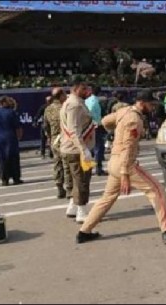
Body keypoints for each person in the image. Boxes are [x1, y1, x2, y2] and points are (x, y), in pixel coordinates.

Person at [76, 90, 166, 245]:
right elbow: (128, 147)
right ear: (142, 103)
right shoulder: (134, 120)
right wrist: (125, 173)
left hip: (113, 162)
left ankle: (84, 231)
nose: (152, 108)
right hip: (125, 163)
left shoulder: (124, 111)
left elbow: (105, 121)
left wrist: (116, 130)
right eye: (150, 104)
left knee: (107, 198)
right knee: (157, 190)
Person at [60, 81, 95, 223]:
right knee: (82, 180)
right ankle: (81, 210)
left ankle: (72, 207)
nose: (87, 90)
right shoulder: (74, 105)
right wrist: (84, 149)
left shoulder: (73, 102)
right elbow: (73, 130)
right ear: (75, 88)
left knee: (76, 180)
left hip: (70, 148)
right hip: (76, 150)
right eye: (83, 88)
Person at [44, 87, 72, 199]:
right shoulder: (65, 107)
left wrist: (49, 138)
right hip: (65, 139)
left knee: (57, 164)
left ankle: (59, 188)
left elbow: (46, 126)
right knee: (67, 165)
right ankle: (69, 189)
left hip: (54, 140)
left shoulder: (48, 109)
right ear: (61, 96)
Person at [0, 96, 23, 186]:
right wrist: (19, 136)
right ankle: (16, 178)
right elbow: (17, 126)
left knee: (2, 159)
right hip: (10, 137)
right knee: (13, 158)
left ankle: (4, 179)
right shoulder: (11, 112)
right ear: (3, 102)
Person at [85, 84, 107, 176]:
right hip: (96, 126)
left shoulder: (86, 101)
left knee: (88, 148)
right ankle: (98, 169)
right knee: (99, 148)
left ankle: (87, 168)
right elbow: (97, 116)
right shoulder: (96, 102)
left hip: (87, 126)